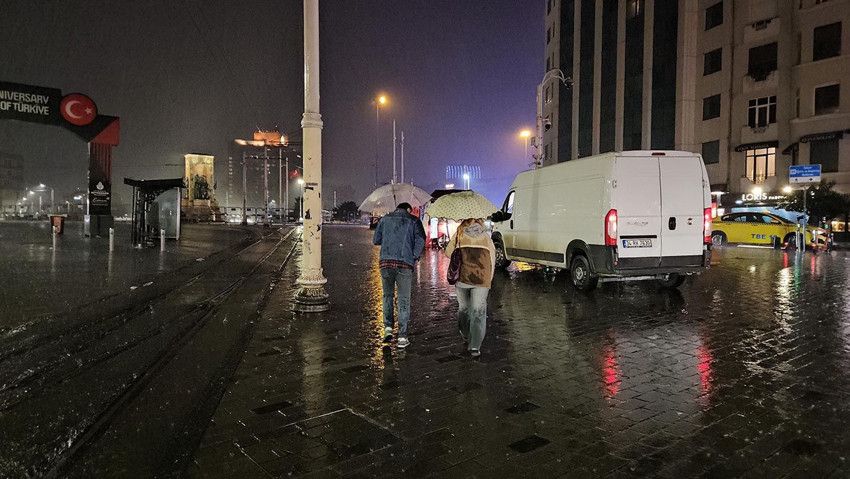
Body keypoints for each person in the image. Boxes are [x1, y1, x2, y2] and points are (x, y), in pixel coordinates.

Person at [373, 202, 426, 349]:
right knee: (404, 299)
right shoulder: (414, 220)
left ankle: (388, 328)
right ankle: (402, 336)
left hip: (386, 263)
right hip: (404, 264)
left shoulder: (385, 219)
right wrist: (414, 256)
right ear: (408, 209)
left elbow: (376, 240)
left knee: (387, 296)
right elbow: (421, 239)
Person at [445, 218, 495, 357]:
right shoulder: (486, 236)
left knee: (464, 309)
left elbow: (448, 253)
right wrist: (489, 278)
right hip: (482, 279)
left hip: (463, 278)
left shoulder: (459, 233)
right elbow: (492, 259)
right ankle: (475, 346)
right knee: (478, 311)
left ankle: (466, 334)